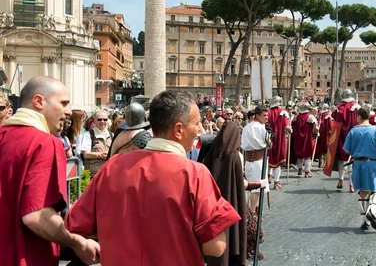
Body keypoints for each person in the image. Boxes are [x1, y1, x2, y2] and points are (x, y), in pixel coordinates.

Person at [65, 90, 241, 266]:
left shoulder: (112, 166)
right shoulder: (195, 173)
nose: (199, 130)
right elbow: (215, 246)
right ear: (179, 129)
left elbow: (75, 224)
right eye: (197, 123)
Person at [0, 76, 100, 266]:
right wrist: (75, 241)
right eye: (63, 103)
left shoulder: (3, 134)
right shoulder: (45, 142)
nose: (69, 111)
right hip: (25, 257)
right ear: (39, 101)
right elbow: (36, 215)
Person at [203, 118, 268, 266]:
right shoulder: (235, 157)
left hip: (212, 207)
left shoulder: (210, 153)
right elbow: (240, 183)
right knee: (231, 239)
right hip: (231, 206)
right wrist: (258, 183)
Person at [343, 107, 376, 231]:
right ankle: (372, 211)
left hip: (357, 164)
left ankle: (365, 221)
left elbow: (347, 150)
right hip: (372, 163)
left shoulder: (353, 131)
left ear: (359, 117)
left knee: (362, 191)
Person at [242, 106, 271, 212]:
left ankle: (255, 211)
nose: (266, 118)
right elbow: (269, 144)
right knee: (257, 189)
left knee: (252, 187)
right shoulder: (261, 128)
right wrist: (269, 136)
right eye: (264, 115)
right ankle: (252, 212)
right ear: (257, 116)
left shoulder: (246, 127)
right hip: (258, 162)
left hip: (249, 162)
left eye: (267, 115)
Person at [331, 89, 361, 191]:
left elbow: (334, 122)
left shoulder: (338, 108)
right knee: (352, 159)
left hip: (340, 136)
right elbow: (360, 122)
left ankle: (341, 179)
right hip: (353, 135)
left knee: (342, 158)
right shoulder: (356, 107)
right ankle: (351, 184)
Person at [267, 96, 291, 190]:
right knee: (278, 160)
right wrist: (290, 129)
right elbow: (287, 126)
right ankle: (276, 182)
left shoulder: (267, 112)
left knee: (269, 158)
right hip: (279, 139)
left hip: (268, 138)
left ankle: (269, 175)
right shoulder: (283, 112)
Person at [79, 110, 113, 177]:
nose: (102, 121)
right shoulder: (88, 135)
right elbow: (85, 154)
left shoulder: (111, 135)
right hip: (94, 175)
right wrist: (100, 155)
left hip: (108, 173)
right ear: (94, 121)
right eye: (99, 119)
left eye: (105, 119)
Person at [292, 102, 319, 178]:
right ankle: (307, 171)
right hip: (308, 138)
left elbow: (292, 125)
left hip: (297, 138)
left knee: (299, 154)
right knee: (307, 155)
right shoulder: (310, 117)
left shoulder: (296, 117)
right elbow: (316, 128)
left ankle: (300, 169)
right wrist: (317, 132)